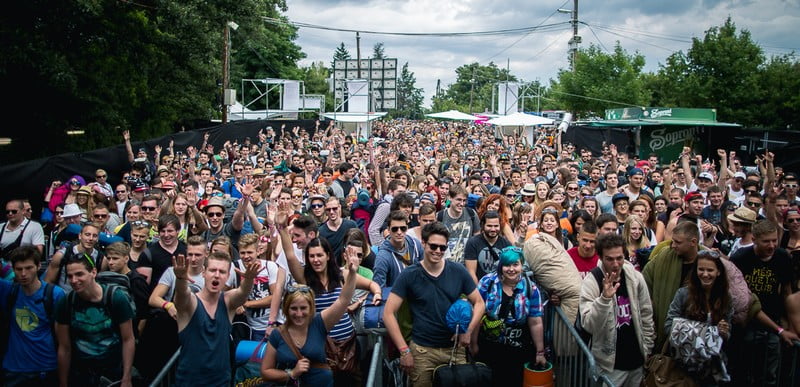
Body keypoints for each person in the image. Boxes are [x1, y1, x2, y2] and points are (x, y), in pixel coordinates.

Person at [383, 222, 486, 387]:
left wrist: (469, 331)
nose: (438, 251)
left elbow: (480, 303)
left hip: (454, 349)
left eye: (442, 248)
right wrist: (404, 350)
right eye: (433, 246)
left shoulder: (458, 271)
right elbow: (388, 313)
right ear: (423, 243)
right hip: (423, 351)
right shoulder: (409, 275)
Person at [259, 249, 360, 387]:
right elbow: (266, 371)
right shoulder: (278, 334)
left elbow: (343, 301)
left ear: (311, 308)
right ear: (286, 309)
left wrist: (353, 273)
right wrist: (291, 373)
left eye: (303, 308)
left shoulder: (319, 323)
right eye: (294, 309)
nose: (299, 314)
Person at [172, 250, 261, 386]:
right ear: (204, 272)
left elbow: (242, 294)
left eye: (222, 272)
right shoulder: (191, 302)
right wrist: (180, 279)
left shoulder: (227, 302)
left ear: (228, 276)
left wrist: (249, 279)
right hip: (190, 382)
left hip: (221, 381)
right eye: (212, 270)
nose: (217, 275)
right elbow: (182, 297)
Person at [580, 233, 654, 386]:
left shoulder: (635, 277)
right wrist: (604, 299)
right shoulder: (592, 281)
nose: (615, 264)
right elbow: (588, 324)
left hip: (636, 360)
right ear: (600, 257)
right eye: (610, 259)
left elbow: (646, 313)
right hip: (610, 365)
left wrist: (647, 348)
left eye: (619, 258)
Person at [55, 251, 135, 386]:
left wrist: (126, 378)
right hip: (81, 373)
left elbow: (128, 339)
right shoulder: (66, 302)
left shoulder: (115, 298)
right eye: (70, 276)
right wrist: (63, 383)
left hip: (112, 371)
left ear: (93, 272)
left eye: (79, 274)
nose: (74, 281)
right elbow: (64, 347)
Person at [731, 219, 796, 386]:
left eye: (774, 240)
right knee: (745, 371)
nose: (772, 245)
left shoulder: (782, 257)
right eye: (766, 241)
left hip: (774, 320)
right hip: (747, 322)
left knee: (770, 373)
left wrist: (788, 322)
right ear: (754, 239)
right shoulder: (741, 258)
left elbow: (787, 292)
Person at [472, 246, 546, 387]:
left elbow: (536, 322)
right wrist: (473, 344)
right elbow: (477, 314)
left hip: (518, 350)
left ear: (522, 266)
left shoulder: (531, 289)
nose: (511, 269)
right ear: (500, 266)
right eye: (506, 265)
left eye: (515, 264)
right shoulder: (487, 283)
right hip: (489, 348)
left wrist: (540, 352)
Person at [0, 246, 66, 386]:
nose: (24, 274)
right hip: (13, 369)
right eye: (19, 269)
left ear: (38, 266)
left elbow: (64, 342)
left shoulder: (55, 294)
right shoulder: (8, 291)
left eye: (29, 268)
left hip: (45, 367)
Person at [664, 250, 732, 385]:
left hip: (712, 368)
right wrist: (701, 332)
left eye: (710, 270)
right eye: (701, 269)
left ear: (718, 272)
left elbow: (728, 334)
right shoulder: (683, 294)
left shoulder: (726, 298)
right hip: (684, 367)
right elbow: (668, 326)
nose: (705, 274)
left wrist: (724, 332)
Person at [374, 210, 424, 287]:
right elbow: (379, 287)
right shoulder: (382, 257)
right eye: (395, 229)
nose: (399, 232)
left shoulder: (416, 245)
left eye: (403, 228)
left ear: (407, 228)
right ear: (388, 230)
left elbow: (424, 271)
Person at [464, 210, 512, 284]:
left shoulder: (506, 245)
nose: (493, 229)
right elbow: (471, 273)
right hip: (479, 286)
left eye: (496, 226)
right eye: (489, 226)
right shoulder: (473, 243)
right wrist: (479, 292)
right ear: (483, 225)